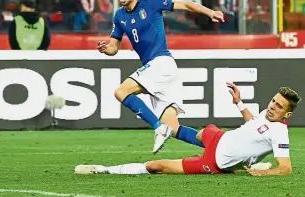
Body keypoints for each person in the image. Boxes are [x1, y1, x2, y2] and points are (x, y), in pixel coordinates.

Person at [97, 0, 224, 153]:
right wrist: (105, 49)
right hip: (157, 69)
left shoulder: (151, 3)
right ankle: (221, 147)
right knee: (174, 128)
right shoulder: (119, 16)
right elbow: (114, 47)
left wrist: (211, 12)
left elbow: (186, 4)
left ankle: (158, 127)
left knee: (121, 92)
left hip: (161, 63)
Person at [75, 85, 301, 176]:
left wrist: (261, 174)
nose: (272, 106)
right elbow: (254, 123)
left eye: (279, 106)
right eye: (273, 101)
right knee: (187, 130)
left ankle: (102, 170)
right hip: (220, 137)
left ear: (287, 114)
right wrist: (239, 103)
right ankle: (166, 127)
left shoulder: (280, 132)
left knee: (157, 165)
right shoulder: (267, 114)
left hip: (216, 162)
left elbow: (286, 168)